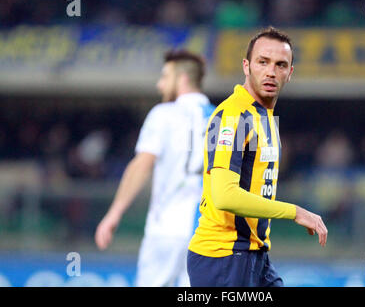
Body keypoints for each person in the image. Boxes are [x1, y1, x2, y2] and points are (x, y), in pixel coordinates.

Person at [187, 27, 328, 287]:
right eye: (263, 62)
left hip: (255, 255)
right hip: (223, 257)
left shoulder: (264, 117)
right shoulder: (234, 116)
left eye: (280, 64)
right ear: (246, 66)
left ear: (290, 73)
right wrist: (294, 212)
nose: (271, 71)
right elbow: (224, 195)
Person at [95, 49, 215, 287]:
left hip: (167, 230)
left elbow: (141, 165)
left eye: (164, 77)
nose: (160, 85)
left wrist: (114, 213)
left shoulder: (163, 114)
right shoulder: (220, 118)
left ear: (182, 79)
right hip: (209, 234)